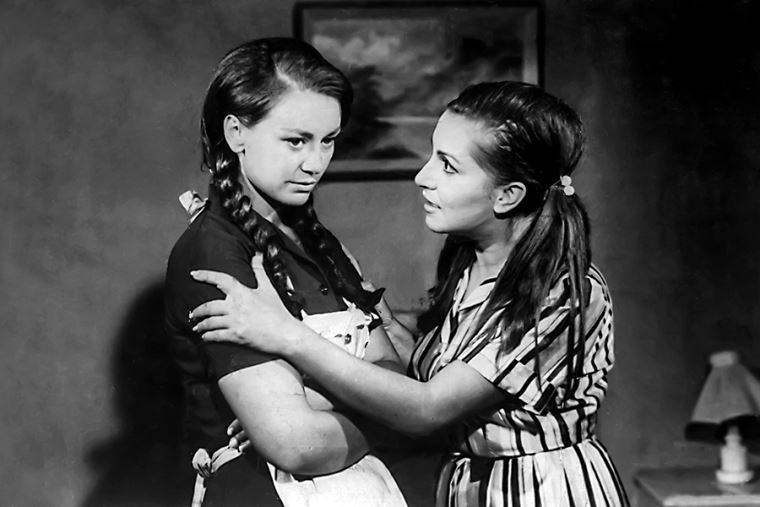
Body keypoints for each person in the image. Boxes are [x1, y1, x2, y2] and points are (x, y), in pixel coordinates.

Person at [189, 81, 630, 506]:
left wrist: (288, 336)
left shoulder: (561, 291)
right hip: (469, 486)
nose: (423, 176)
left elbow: (427, 407)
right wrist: (304, 402)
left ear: (507, 196)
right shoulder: (472, 262)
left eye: (448, 166)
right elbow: (432, 366)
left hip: (543, 492)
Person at [164, 37, 408, 507]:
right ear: (236, 133)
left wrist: (356, 399)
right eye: (296, 140)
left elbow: (393, 370)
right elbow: (297, 444)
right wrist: (392, 413)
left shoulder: (320, 242)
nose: (315, 163)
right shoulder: (214, 254)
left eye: (328, 140)